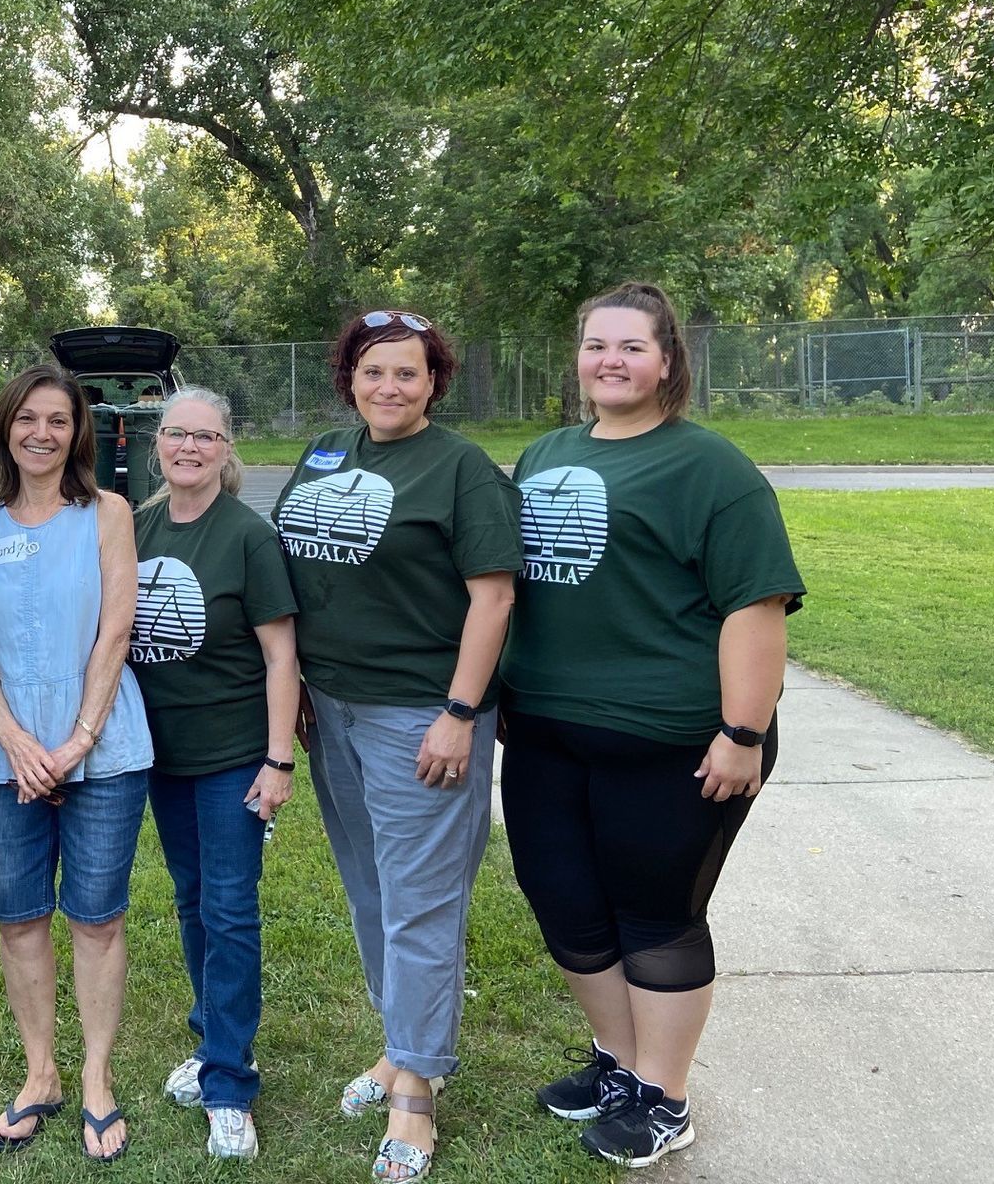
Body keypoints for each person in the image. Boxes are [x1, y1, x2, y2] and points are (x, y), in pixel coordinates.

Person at [499, 282, 805, 1168]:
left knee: (655, 918)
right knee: (566, 903)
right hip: (550, 736)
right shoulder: (547, 451)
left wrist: (742, 733)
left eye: (631, 347)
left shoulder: (708, 468)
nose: (611, 361)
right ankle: (618, 1063)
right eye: (597, 345)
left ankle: (663, 1096)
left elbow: (757, 603)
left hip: (678, 745)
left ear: (668, 360)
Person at [273, 309, 521, 1183]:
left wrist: (460, 710)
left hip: (421, 713)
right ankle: (398, 1044)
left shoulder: (460, 471)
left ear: (433, 383)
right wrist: (299, 682)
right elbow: (300, 570)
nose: (388, 387)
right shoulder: (325, 453)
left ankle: (416, 1091)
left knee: (420, 900)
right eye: (373, 371)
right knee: (371, 885)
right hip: (331, 707)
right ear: (350, 379)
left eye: (407, 373)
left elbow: (492, 599)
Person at [0, 365, 151, 1162]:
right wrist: (11, 736)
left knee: (97, 918)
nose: (42, 433)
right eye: (28, 419)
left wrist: (76, 740)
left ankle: (97, 1077)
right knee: (19, 918)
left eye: (59, 421)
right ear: (5, 427)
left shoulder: (108, 513)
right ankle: (41, 1074)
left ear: (80, 433)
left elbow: (115, 632)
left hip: (103, 746)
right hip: (8, 754)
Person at [131, 387, 300, 1162]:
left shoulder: (246, 537)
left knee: (230, 909)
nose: (188, 448)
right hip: (162, 757)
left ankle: (229, 1083)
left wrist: (277, 759)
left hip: (233, 755)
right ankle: (212, 1041)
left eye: (205, 436)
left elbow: (279, 655)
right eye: (176, 435)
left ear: (227, 448)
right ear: (157, 443)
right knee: (192, 900)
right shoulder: (136, 526)